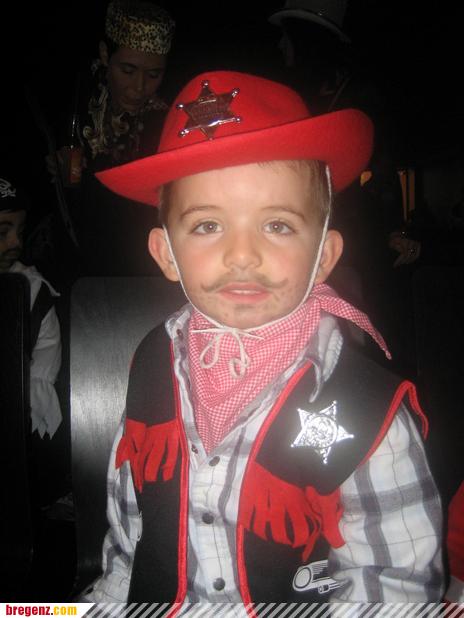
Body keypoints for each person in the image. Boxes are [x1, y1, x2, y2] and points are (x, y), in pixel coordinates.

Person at [81, 71, 443, 604]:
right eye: (207, 226)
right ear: (165, 254)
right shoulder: (152, 363)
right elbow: (129, 533)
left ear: (324, 255)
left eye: (277, 225)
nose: (242, 255)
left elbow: (391, 585)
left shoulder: (367, 412)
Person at [268, 0, 422, 375]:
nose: (281, 46)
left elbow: (384, 169)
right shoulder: (297, 92)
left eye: (288, 36)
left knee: (361, 332)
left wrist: (397, 229)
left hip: (350, 244)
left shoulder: (356, 94)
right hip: (312, 238)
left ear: (306, 40)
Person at [47, 0, 176, 276]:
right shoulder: (68, 97)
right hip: (72, 261)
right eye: (127, 71)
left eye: (153, 74)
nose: (139, 88)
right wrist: (49, 170)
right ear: (105, 55)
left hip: (142, 265)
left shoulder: (168, 116)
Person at [0, 173, 62, 440]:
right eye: (3, 232)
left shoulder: (33, 293)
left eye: (20, 231)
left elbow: (41, 374)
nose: (16, 242)